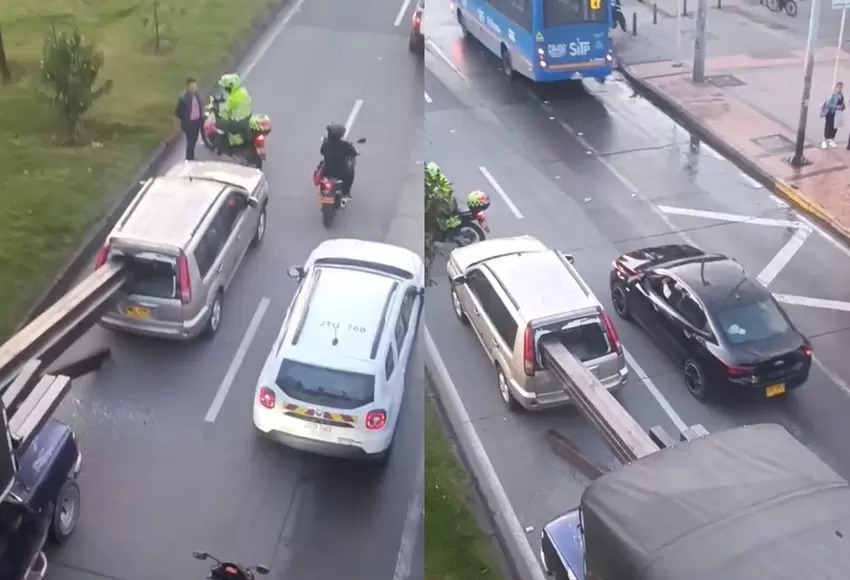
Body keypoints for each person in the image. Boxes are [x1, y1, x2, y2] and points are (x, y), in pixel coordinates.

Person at [215, 73, 253, 152]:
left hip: (238, 123)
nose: (225, 89)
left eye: (226, 87)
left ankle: (222, 148)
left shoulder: (232, 98)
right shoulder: (243, 91)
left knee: (219, 124)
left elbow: (224, 110)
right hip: (247, 119)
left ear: (230, 87)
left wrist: (218, 113)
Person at [320, 123, 359, 197]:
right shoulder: (344, 145)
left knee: (322, 164)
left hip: (327, 172)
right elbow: (353, 153)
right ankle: (346, 192)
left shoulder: (325, 144)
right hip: (340, 173)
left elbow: (322, 152)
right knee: (351, 171)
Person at [174, 77, 203, 161]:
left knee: (194, 140)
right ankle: (189, 158)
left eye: (195, 86)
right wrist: (185, 119)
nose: (194, 88)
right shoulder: (183, 98)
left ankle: (191, 156)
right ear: (188, 87)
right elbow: (177, 112)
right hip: (189, 124)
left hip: (197, 122)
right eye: (192, 86)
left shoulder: (197, 95)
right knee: (190, 141)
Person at [821, 81, 845, 149]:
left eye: (841, 87)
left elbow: (842, 103)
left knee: (835, 127)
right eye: (839, 87)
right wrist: (837, 107)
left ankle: (831, 139)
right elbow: (828, 105)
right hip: (830, 113)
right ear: (836, 88)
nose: (840, 89)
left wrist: (842, 107)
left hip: (837, 114)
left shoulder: (841, 95)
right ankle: (824, 141)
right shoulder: (832, 95)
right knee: (828, 127)